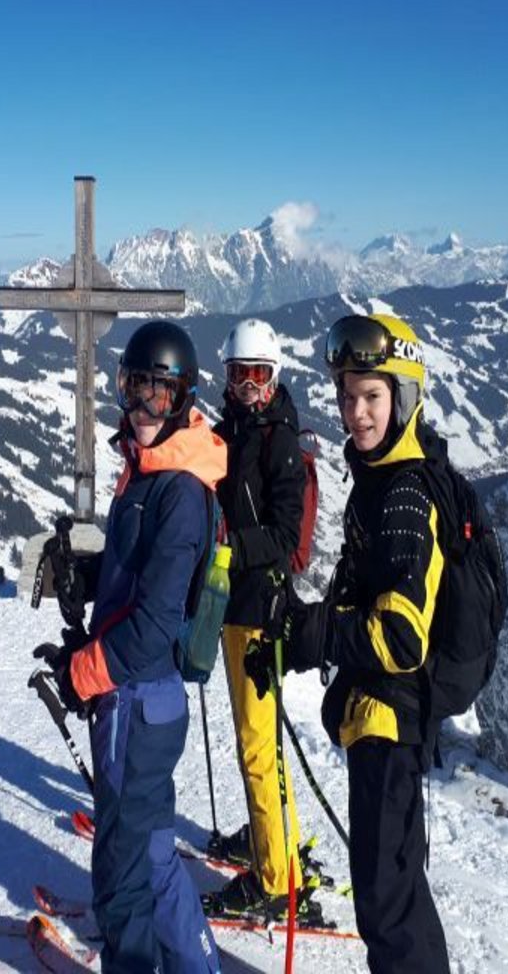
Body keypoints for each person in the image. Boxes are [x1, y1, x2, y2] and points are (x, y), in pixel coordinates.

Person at [246, 313, 452, 974]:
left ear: (404, 396)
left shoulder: (404, 497)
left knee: (386, 907)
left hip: (391, 722)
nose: (355, 412)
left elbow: (400, 637)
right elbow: (361, 597)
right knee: (397, 895)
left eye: (371, 396)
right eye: (347, 396)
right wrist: (300, 631)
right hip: (380, 717)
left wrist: (314, 632)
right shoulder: (381, 480)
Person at [35, 320, 227, 973]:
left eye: (159, 393)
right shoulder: (149, 471)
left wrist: (80, 673)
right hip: (142, 700)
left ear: (183, 399)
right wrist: (86, 576)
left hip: (138, 702)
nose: (143, 405)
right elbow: (136, 579)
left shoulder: (178, 490)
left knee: (120, 876)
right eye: (133, 387)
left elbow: (152, 624)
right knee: (150, 853)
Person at [203, 318, 310, 918]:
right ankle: (272, 841)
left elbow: (285, 535)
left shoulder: (278, 441)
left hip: (259, 609)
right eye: (239, 374)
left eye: (258, 375)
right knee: (258, 738)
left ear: (274, 377)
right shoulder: (233, 432)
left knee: (255, 744)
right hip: (233, 603)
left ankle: (275, 878)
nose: (248, 386)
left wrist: (229, 550)